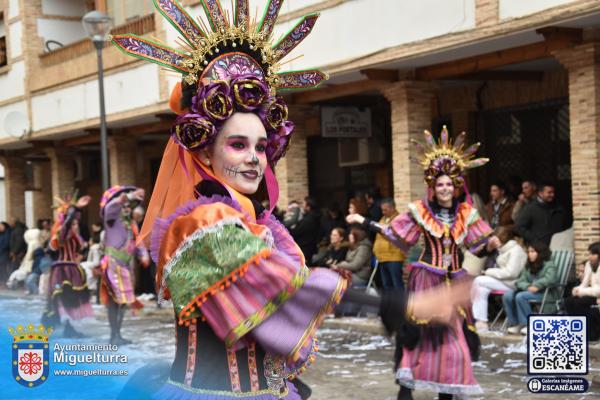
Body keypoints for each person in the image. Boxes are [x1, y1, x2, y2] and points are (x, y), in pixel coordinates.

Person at [347, 127, 500, 400]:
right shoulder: (421, 212)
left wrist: (490, 243)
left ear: (456, 186)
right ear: (433, 186)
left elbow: (477, 245)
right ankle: (406, 388)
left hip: (455, 281)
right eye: (439, 184)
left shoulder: (467, 213)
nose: (444, 189)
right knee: (417, 334)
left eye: (449, 184)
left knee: (454, 338)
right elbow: (394, 232)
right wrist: (364, 222)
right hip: (426, 277)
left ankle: (447, 390)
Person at [99, 186, 149, 345]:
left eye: (129, 206)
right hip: (113, 265)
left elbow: (138, 242)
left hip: (127, 267)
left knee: (123, 302)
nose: (127, 208)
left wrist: (143, 255)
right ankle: (113, 336)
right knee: (115, 301)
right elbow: (110, 207)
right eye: (125, 205)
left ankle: (117, 335)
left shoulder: (132, 223)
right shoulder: (111, 219)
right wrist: (129, 196)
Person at [43, 193, 93, 338]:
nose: (76, 225)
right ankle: (66, 327)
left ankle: (68, 327)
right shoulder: (62, 233)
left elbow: (81, 249)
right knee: (65, 298)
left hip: (73, 269)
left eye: (77, 223)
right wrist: (72, 210)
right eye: (74, 223)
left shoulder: (75, 236)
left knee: (71, 299)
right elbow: (63, 231)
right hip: (62, 271)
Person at [471, 227, 527, 332]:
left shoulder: (515, 250)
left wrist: (488, 272)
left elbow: (511, 273)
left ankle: (473, 317)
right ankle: (481, 322)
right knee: (481, 290)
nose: (493, 241)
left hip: (513, 283)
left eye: (496, 238)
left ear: (503, 238)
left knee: (478, 280)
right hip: (504, 281)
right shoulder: (503, 249)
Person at [502, 241, 558, 335]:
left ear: (540, 253)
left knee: (521, 296)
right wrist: (528, 286)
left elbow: (551, 278)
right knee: (507, 295)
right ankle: (515, 323)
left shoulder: (549, 265)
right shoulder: (528, 266)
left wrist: (537, 285)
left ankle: (528, 324)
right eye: (528, 252)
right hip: (529, 291)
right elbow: (520, 281)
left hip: (545, 293)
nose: (529, 254)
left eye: (532, 252)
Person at [360, 198, 406, 290]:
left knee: (397, 284)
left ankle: (401, 304)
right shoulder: (382, 219)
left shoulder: (399, 220)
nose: (383, 212)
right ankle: (390, 304)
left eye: (385, 209)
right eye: (382, 210)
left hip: (394, 258)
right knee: (386, 286)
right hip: (382, 258)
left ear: (392, 208)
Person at [564, 242, 600, 341]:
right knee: (568, 301)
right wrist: (577, 289)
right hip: (592, 293)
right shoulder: (589, 264)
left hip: (597, 295)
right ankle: (578, 331)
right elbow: (584, 283)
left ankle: (592, 334)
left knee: (579, 303)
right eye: (589, 254)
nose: (590, 257)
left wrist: (582, 292)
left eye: (593, 254)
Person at [290, 197, 321, 265]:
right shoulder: (313, 217)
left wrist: (289, 228)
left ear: (308, 206)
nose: (302, 205)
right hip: (309, 247)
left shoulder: (308, 219)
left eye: (304, 203)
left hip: (305, 248)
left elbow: (297, 232)